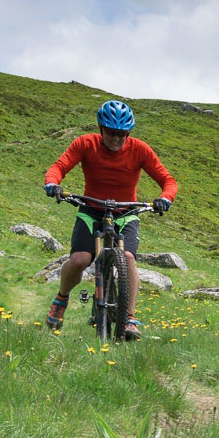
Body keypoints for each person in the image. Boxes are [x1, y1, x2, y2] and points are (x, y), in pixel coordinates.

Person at [42, 100, 178, 340]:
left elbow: (168, 180)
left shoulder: (140, 150)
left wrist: (165, 198)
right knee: (80, 260)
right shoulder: (85, 144)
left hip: (125, 214)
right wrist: (53, 183)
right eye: (112, 133)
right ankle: (61, 299)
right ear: (101, 129)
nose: (117, 139)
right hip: (91, 210)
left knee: (127, 258)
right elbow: (59, 166)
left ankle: (129, 318)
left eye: (123, 134)